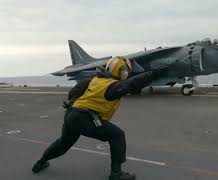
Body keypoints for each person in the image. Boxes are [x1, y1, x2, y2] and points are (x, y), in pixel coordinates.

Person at [32, 56, 166, 180]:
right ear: (122, 72)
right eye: (125, 71)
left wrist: (72, 100)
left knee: (63, 143)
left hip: (72, 115)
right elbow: (131, 84)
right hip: (86, 118)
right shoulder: (112, 86)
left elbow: (76, 89)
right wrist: (154, 74)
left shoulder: (96, 80)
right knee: (117, 135)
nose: (127, 74)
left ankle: (40, 163)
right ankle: (116, 174)